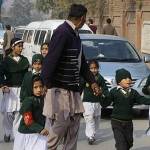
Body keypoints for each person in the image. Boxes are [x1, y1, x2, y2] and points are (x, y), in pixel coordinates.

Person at [41, 4, 101, 150]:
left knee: (74, 126)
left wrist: (92, 82)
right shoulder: (62, 32)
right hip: (60, 90)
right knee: (60, 125)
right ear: (81, 18)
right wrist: (46, 84)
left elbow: (81, 62)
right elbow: (51, 59)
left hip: (73, 90)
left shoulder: (75, 34)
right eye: (85, 18)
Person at [100, 68, 150, 150]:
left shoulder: (133, 92)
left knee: (129, 143)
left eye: (129, 78)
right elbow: (105, 103)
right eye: (125, 78)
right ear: (119, 81)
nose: (129, 80)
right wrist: (100, 96)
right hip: (116, 122)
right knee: (121, 144)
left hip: (128, 123)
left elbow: (142, 99)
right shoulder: (114, 92)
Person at [0, 38, 29, 142]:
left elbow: (27, 76)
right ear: (13, 47)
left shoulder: (25, 60)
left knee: (18, 113)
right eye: (19, 46)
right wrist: (2, 85)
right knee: (8, 114)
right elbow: (0, 74)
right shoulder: (6, 60)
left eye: (22, 46)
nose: (21, 48)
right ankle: (7, 132)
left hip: (21, 90)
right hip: (10, 90)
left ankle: (17, 136)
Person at [13, 75, 49, 150]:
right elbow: (28, 120)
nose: (39, 89)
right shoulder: (28, 101)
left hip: (38, 133)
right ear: (30, 87)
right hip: (27, 134)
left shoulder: (42, 98)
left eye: (41, 86)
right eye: (35, 87)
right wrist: (40, 129)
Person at [81, 60, 108, 145]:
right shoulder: (85, 78)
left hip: (97, 102)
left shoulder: (100, 78)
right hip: (87, 102)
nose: (93, 70)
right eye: (91, 68)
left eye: (95, 68)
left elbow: (105, 89)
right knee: (89, 118)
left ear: (98, 68)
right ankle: (90, 136)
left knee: (96, 119)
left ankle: (93, 134)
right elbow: (80, 87)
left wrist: (103, 93)